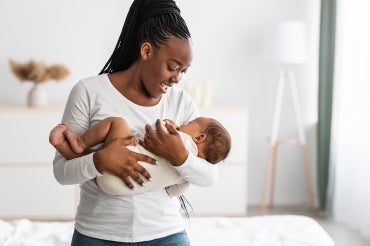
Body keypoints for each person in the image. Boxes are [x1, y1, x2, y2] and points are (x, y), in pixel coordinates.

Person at [52, 0, 221, 245]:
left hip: (166, 234)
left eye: (184, 71)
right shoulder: (89, 91)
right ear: (146, 51)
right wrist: (99, 160)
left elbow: (210, 176)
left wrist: (181, 158)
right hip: (98, 234)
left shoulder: (181, 103)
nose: (177, 79)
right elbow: (61, 172)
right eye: (173, 67)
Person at [50, 116, 231, 196]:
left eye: (190, 122)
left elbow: (152, 131)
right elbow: (173, 191)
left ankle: (79, 142)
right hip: (120, 188)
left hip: (121, 161)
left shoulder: (179, 137)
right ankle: (60, 143)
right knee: (98, 159)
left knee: (118, 124)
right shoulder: (187, 175)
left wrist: (172, 126)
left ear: (199, 137)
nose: (185, 122)